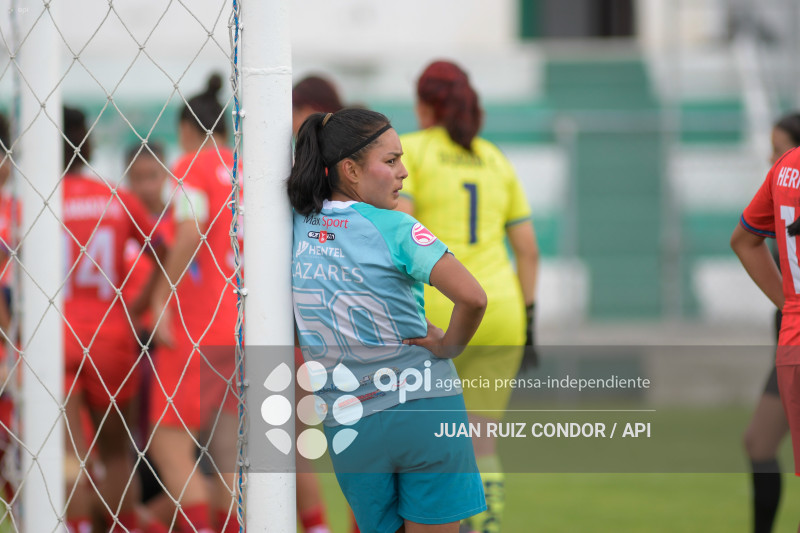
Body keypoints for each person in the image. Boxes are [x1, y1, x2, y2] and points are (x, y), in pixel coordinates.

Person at [288, 107, 488, 533]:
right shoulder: (396, 228)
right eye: (391, 161)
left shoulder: (294, 226)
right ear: (351, 171)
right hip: (423, 408)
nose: (403, 173)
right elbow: (472, 297)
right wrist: (449, 345)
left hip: (349, 427)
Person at [395, 60, 539, 533]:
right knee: (482, 444)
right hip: (503, 311)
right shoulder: (494, 157)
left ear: (425, 106)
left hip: (442, 312)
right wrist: (530, 322)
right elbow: (528, 251)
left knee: (422, 448)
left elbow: (403, 228)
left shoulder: (411, 152)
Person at [61, 105, 158, 533]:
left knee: (68, 453)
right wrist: (139, 306)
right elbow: (164, 248)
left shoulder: (32, 200)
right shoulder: (114, 197)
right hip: (113, 336)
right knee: (118, 453)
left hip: (55, 336)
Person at [150, 74, 240, 533]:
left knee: (169, 447)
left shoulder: (191, 163)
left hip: (196, 326)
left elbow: (189, 230)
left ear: (187, 129)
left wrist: (162, 294)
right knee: (228, 456)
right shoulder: (248, 166)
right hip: (242, 329)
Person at [732, 114, 800, 533]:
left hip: (792, 343)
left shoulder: (786, 172)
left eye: (778, 148)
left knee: (758, 440)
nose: (772, 158)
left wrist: (791, 308)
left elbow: (742, 241)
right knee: (758, 441)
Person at [291, 74, 344, 533]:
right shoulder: (348, 170)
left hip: (311, 329)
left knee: (292, 442)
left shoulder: (308, 171)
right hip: (345, 326)